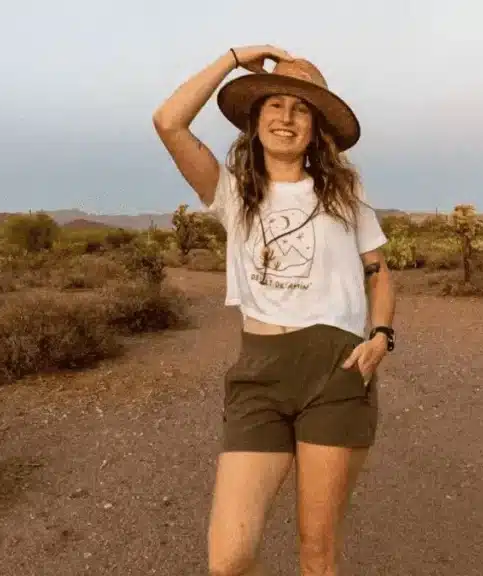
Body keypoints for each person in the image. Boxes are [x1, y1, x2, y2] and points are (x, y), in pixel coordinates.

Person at [152, 44, 397, 576]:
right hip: (259, 373)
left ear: (316, 127)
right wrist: (232, 58)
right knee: (230, 558)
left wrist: (381, 335)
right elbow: (169, 122)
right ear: (255, 119)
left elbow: (378, 272)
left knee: (317, 549)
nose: (286, 117)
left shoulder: (345, 195)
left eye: (301, 108)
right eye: (275, 105)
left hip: (337, 371)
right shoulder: (232, 194)